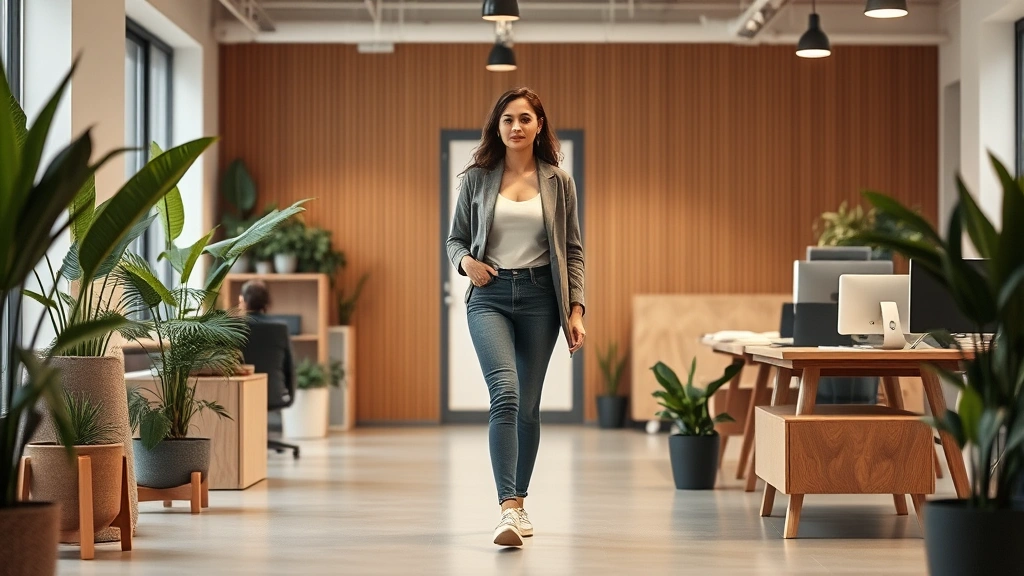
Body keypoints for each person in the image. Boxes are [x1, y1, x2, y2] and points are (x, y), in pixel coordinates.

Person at [446, 87, 586, 547]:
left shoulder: (558, 182)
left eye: (525, 118)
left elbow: (572, 252)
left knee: (527, 404)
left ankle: (520, 505)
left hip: (543, 299)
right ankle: (507, 509)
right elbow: (455, 242)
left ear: (539, 125)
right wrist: (466, 262)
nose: (516, 127)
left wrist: (577, 310)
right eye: (507, 119)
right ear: (497, 126)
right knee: (504, 392)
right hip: (489, 295)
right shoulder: (477, 178)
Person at [237, 279, 294, 405]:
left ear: (243, 301)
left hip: (243, 396)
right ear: (267, 303)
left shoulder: (235, 328)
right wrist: (290, 399)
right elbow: (289, 368)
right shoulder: (280, 328)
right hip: (274, 397)